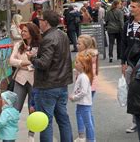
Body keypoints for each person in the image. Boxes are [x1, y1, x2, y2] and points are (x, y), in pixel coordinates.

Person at [27, 10, 73, 142]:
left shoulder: (48, 38)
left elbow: (43, 63)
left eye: (40, 20)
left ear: (46, 22)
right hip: (61, 83)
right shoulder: (62, 35)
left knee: (45, 122)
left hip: (48, 85)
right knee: (63, 119)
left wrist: (32, 58)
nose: (38, 22)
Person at [120, 0, 140, 133]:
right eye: (130, 6)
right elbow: (123, 43)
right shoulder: (127, 25)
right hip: (131, 63)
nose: (131, 9)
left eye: (134, 7)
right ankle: (135, 122)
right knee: (132, 92)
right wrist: (123, 62)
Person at [9, 22, 41, 113]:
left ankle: (33, 127)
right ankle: (12, 127)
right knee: (15, 108)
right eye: (22, 31)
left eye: (25, 31)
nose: (22, 33)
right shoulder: (19, 45)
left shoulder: (39, 46)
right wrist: (24, 62)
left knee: (33, 109)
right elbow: (11, 61)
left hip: (34, 79)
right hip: (20, 78)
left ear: (32, 32)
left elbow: (40, 61)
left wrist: (31, 62)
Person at [70, 53, 96, 142]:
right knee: (87, 122)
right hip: (81, 103)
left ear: (83, 65)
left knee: (88, 123)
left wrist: (74, 97)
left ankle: (91, 139)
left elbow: (83, 92)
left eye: (77, 62)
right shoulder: (81, 75)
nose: (75, 63)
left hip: (84, 103)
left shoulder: (84, 77)